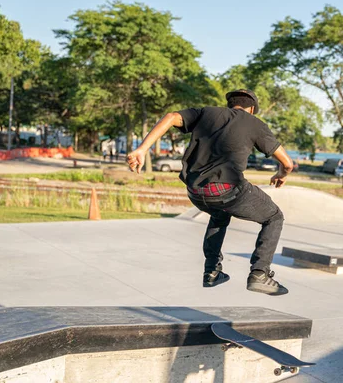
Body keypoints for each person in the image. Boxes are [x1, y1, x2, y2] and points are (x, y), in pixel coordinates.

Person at [126, 89, 294, 296]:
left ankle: (212, 271)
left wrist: (142, 149)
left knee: (219, 214)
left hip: (196, 191)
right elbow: (287, 163)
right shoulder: (255, 124)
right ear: (251, 109)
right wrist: (281, 174)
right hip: (229, 190)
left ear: (231, 104)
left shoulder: (206, 113)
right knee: (274, 217)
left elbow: (170, 117)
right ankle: (260, 273)